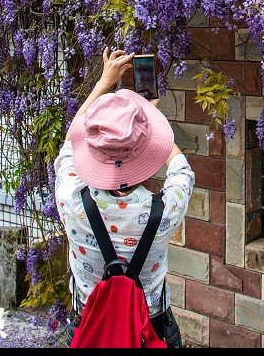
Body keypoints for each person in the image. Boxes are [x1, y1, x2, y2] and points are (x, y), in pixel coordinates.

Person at [55, 47, 194, 348]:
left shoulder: (70, 200)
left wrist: (103, 83)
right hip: (152, 331)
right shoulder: (164, 210)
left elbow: (71, 140)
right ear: (146, 152)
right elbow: (182, 169)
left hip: (88, 328)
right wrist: (150, 119)